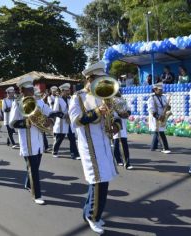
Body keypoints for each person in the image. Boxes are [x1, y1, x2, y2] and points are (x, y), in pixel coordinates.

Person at [69, 61, 119, 234]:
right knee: (98, 181)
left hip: (104, 144)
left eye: (103, 78)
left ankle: (89, 213)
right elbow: (76, 121)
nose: (102, 82)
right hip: (90, 146)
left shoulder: (104, 95)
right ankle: (93, 216)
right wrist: (97, 112)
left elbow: (115, 116)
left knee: (102, 181)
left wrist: (116, 125)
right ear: (89, 80)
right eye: (98, 79)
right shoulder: (78, 97)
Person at [9, 77, 63, 205]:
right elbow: (13, 123)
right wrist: (27, 122)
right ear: (22, 91)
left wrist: (53, 117)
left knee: (35, 166)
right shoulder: (17, 103)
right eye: (29, 90)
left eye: (32, 89)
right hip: (27, 140)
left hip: (38, 140)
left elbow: (48, 112)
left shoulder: (38, 102)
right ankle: (36, 194)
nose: (32, 92)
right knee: (33, 168)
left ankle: (28, 184)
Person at [52, 83, 80, 159]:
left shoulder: (70, 98)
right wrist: (64, 116)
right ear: (62, 91)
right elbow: (55, 111)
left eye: (68, 90)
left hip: (69, 122)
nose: (68, 92)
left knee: (72, 138)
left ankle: (74, 154)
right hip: (62, 122)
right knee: (59, 138)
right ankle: (55, 151)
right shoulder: (58, 99)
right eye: (66, 91)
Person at [147, 82, 171, 154]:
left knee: (158, 131)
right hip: (156, 117)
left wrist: (168, 107)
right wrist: (157, 116)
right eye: (159, 90)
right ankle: (165, 147)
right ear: (155, 90)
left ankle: (153, 147)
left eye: (161, 89)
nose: (161, 91)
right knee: (160, 132)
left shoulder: (163, 97)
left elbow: (167, 106)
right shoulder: (151, 98)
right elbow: (151, 109)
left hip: (162, 116)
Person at [113, 92, 133, 169]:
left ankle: (124, 161)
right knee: (118, 141)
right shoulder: (110, 99)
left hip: (123, 122)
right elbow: (110, 111)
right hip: (116, 122)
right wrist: (119, 115)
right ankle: (121, 161)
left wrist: (127, 113)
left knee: (122, 141)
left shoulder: (122, 98)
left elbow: (128, 108)